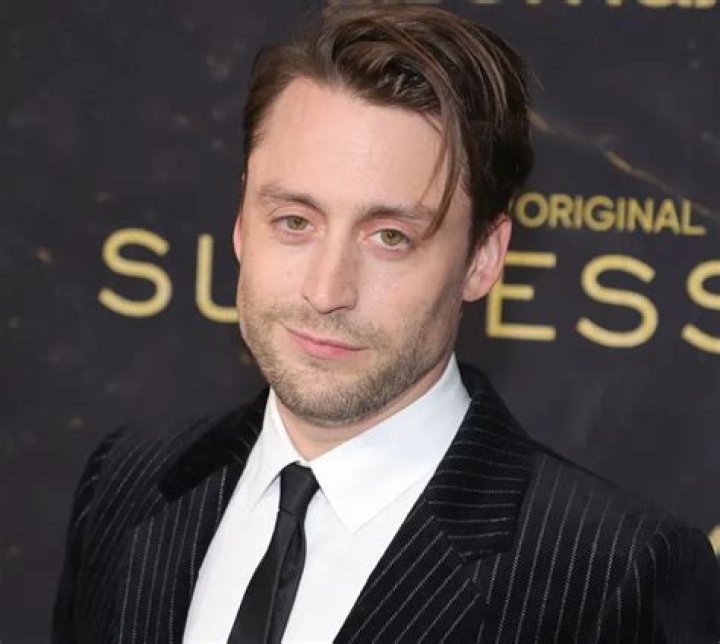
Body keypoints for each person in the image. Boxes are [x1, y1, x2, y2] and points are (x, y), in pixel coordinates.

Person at [53, 5, 719, 643]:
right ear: (240, 224)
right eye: (294, 221)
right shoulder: (128, 484)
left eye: (391, 237)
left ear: (483, 258)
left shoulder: (616, 575)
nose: (326, 291)